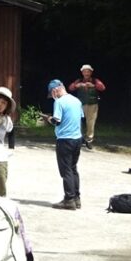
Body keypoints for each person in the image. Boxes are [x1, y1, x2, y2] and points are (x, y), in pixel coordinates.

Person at [47, 79, 84, 210]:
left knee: (66, 170)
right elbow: (80, 118)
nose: (52, 96)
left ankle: (69, 200)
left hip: (64, 140)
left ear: (55, 90)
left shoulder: (59, 102)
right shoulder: (77, 101)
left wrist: (49, 119)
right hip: (77, 139)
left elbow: (57, 121)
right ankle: (77, 198)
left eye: (52, 93)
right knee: (73, 169)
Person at [68, 64, 106, 150]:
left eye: (88, 71)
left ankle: (89, 140)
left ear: (91, 72)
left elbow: (102, 88)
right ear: (82, 73)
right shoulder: (79, 80)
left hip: (92, 104)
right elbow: (70, 88)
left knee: (90, 123)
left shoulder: (95, 80)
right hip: (80, 105)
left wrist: (94, 86)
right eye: (84, 71)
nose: (86, 73)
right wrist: (76, 86)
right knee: (77, 121)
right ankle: (78, 138)